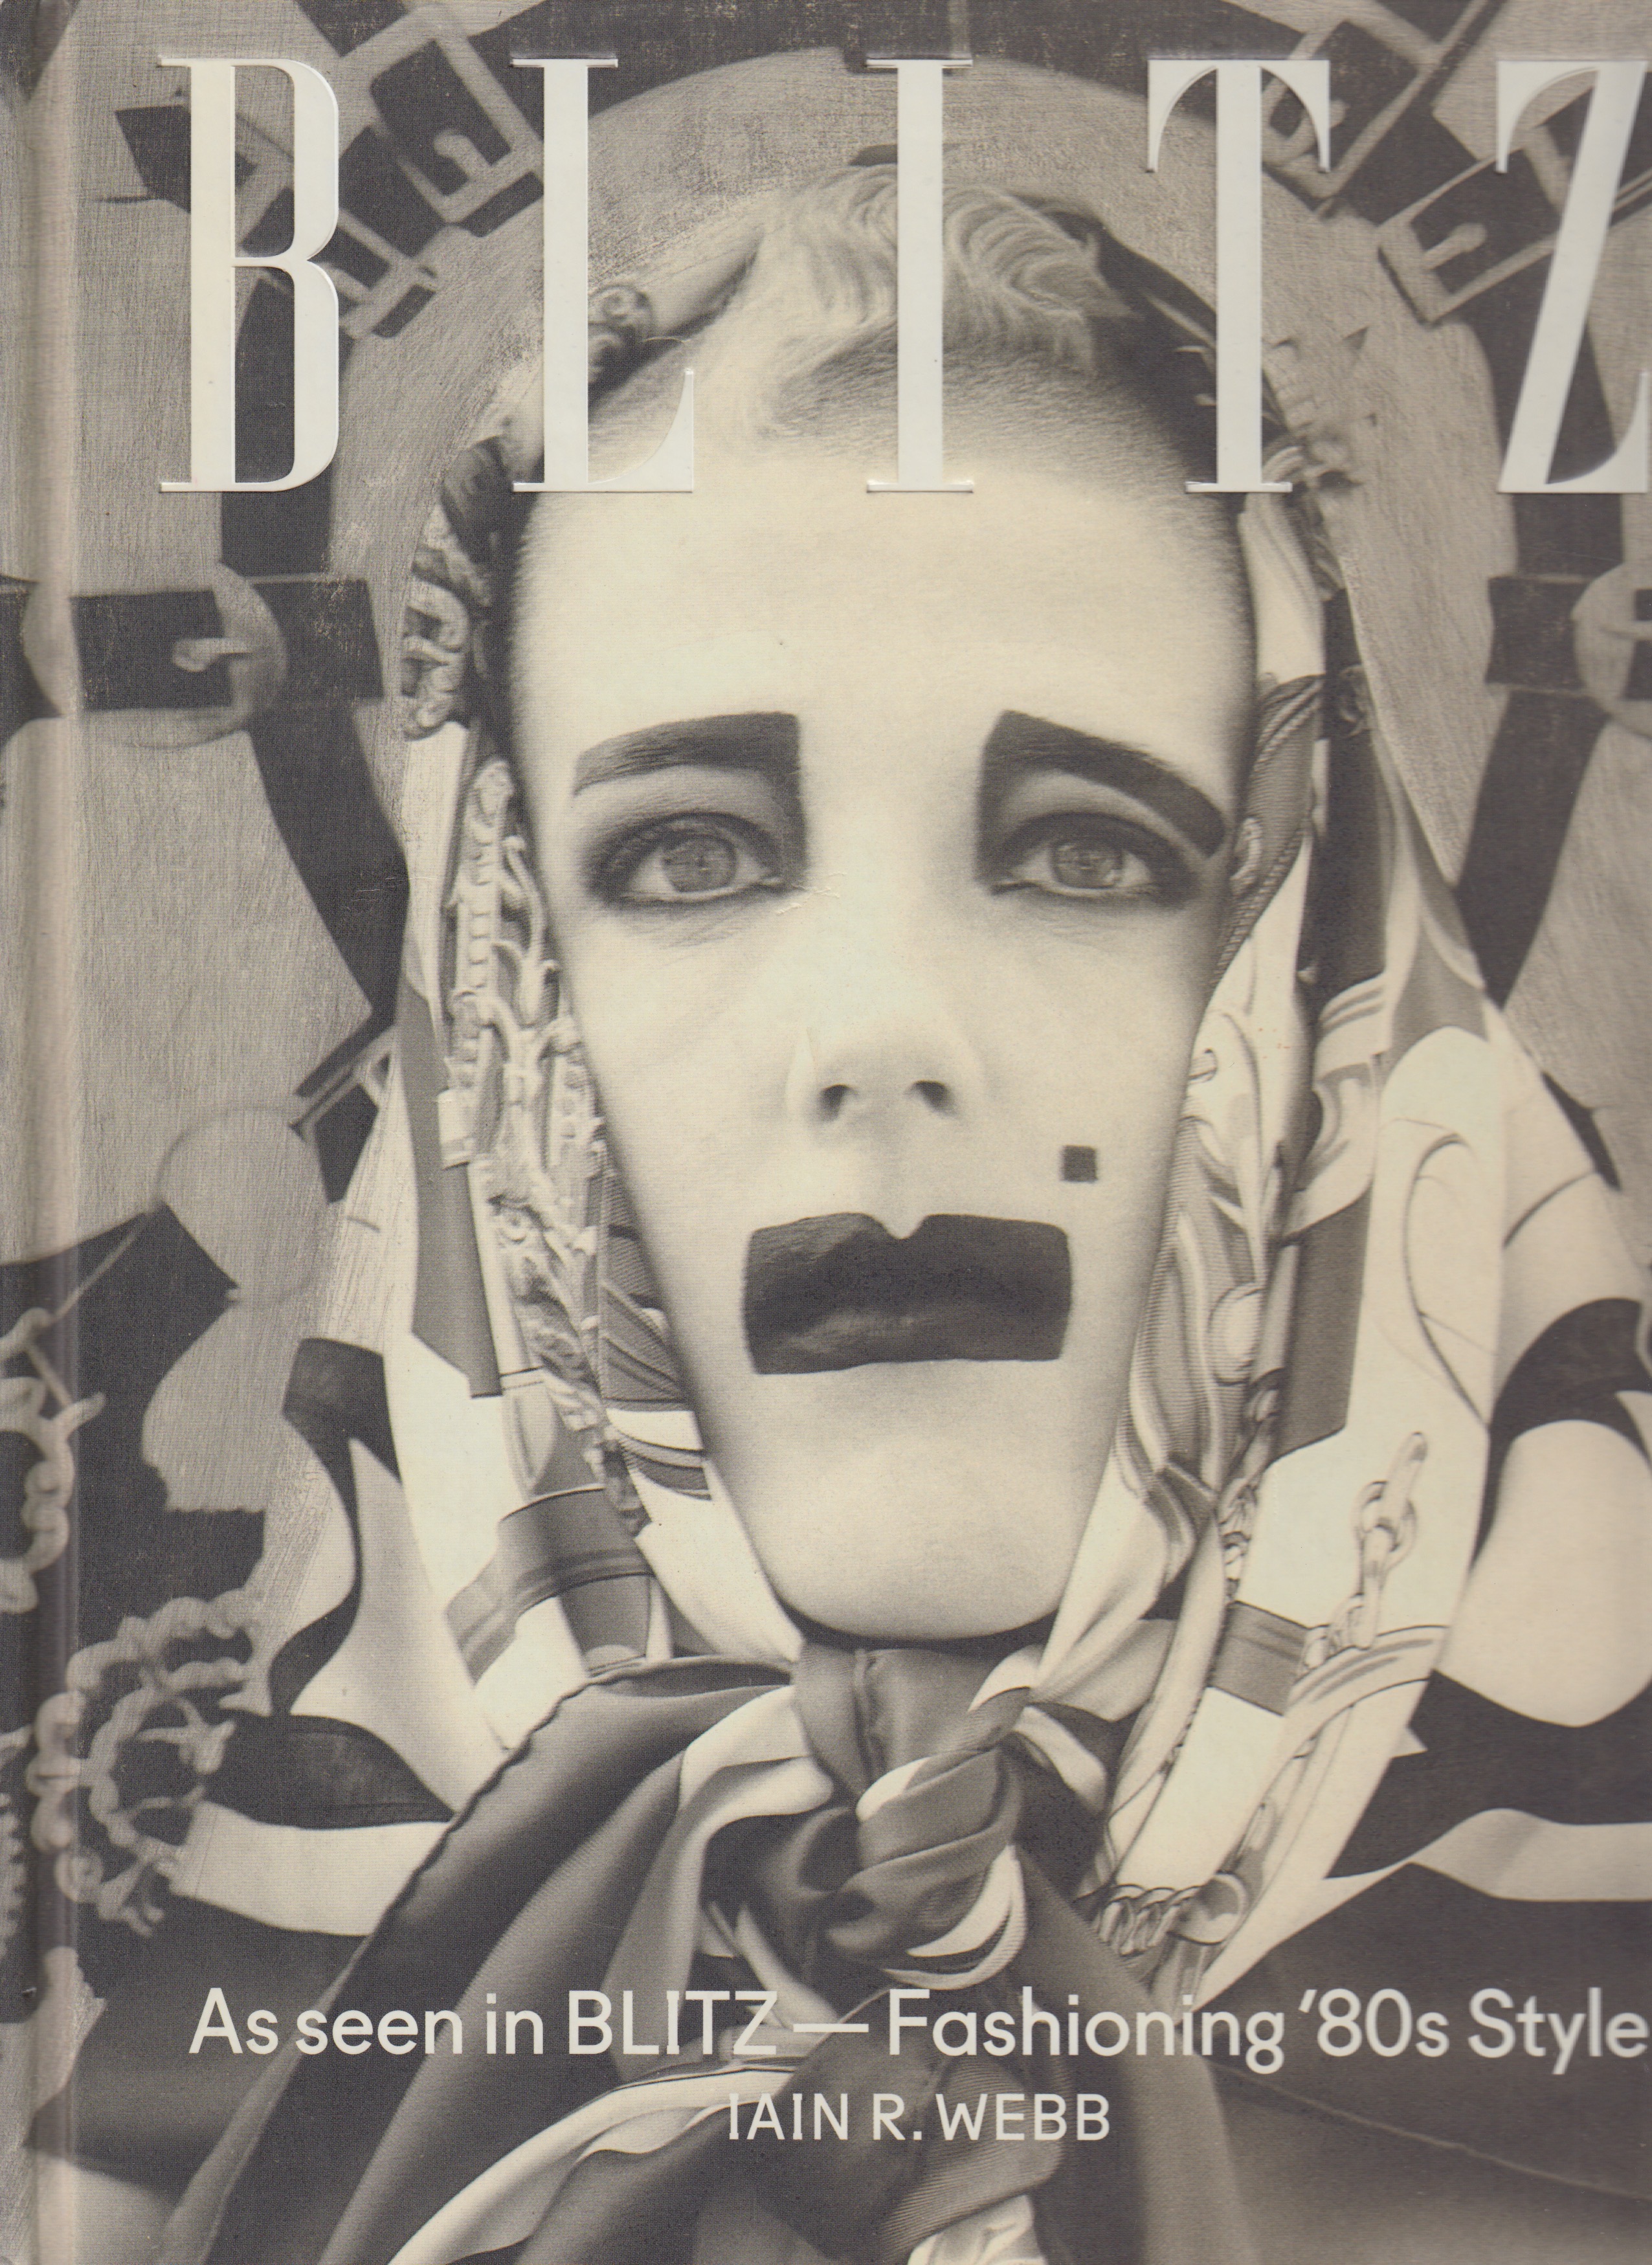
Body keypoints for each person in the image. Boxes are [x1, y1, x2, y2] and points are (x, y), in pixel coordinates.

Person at [157, 152, 1652, 2265]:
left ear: (1321, 977)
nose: (879, 1033)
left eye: (1089, 852)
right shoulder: (184, 2125)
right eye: (687, 855)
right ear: (503, 1016)